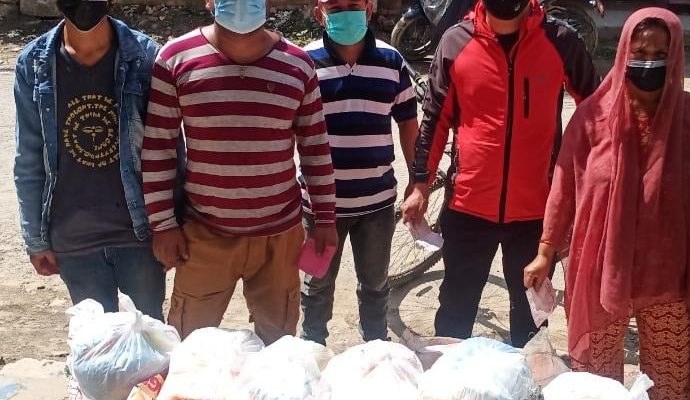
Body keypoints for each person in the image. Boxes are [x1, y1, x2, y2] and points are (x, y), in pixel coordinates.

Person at [524, 8, 690, 399]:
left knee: (670, 383)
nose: (649, 63)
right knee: (597, 383)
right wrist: (545, 251)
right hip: (601, 270)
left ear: (676, 56)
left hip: (668, 276)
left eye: (660, 55)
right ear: (624, 52)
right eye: (639, 53)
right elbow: (564, 187)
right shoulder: (593, 116)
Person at [401, 0, 599, 347]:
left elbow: (597, 111)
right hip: (467, 209)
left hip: (536, 215)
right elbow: (435, 119)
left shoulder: (561, 41)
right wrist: (421, 185)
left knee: (530, 328)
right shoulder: (456, 42)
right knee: (454, 318)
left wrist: (578, 181)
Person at [141, 0, 338, 344]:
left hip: (279, 237)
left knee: (278, 346)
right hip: (205, 235)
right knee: (190, 348)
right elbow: (159, 147)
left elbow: (315, 149)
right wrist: (163, 225)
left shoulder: (297, 65)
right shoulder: (175, 59)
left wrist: (325, 219)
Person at [13, 0, 165, 319]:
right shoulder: (34, 63)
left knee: (149, 337)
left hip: (138, 235)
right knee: (97, 341)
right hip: (74, 240)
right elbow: (28, 157)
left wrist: (170, 227)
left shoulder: (145, 56)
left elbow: (166, 149)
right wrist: (36, 240)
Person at [300, 0, 419, 345]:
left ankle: (376, 349)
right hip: (320, 208)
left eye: (353, 4)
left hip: (377, 205)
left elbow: (408, 123)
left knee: (375, 285)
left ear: (369, 8)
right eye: (335, 6)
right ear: (319, 13)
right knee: (316, 284)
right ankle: (313, 348)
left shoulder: (391, 61)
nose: (345, 12)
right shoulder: (304, 63)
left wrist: (416, 181)